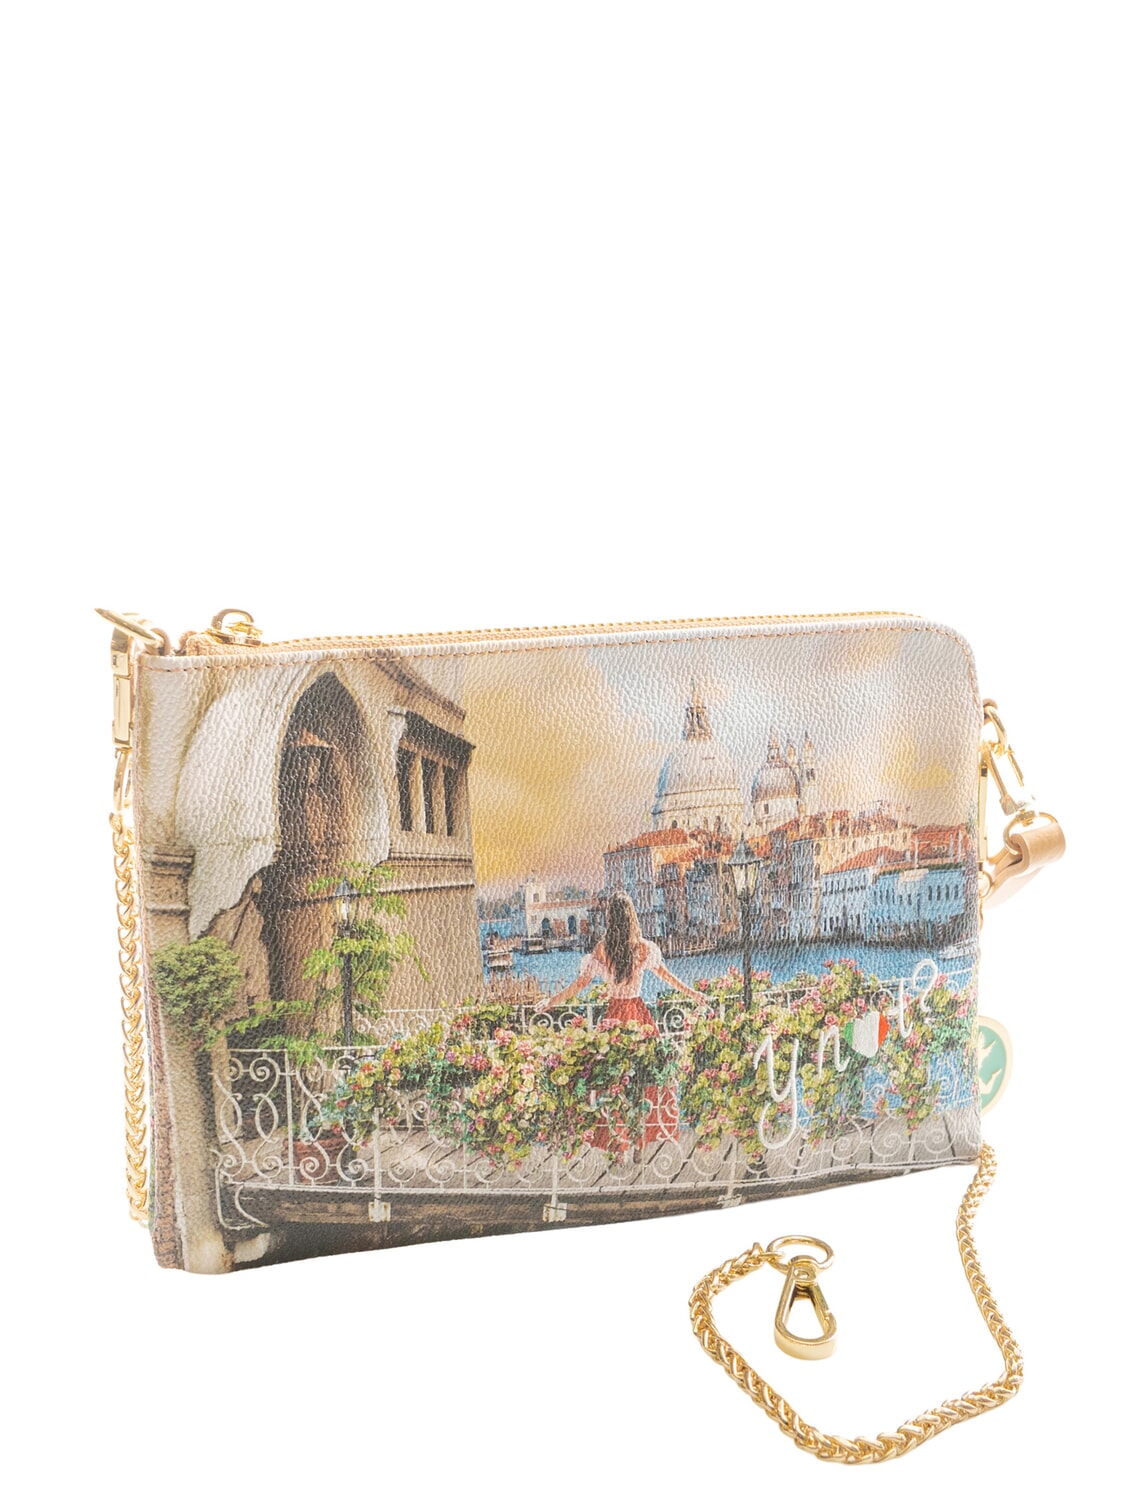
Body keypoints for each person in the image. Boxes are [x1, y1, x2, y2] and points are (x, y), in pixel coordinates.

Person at [534, 891, 709, 1156]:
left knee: (615, 1082)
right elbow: (667, 976)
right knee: (644, 1078)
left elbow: (579, 986)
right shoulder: (643, 948)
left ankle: (620, 1143)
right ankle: (640, 1139)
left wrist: (550, 1002)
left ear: (610, 918)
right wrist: (694, 994)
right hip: (638, 1017)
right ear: (632, 918)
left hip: (615, 1018)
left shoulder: (602, 949)